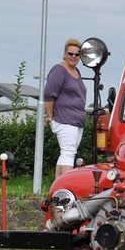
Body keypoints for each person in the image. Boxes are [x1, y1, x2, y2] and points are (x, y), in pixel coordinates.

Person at [44, 38, 87, 178]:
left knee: (66, 153)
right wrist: (50, 116)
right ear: (65, 53)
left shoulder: (76, 71)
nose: (73, 57)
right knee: (68, 153)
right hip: (64, 119)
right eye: (70, 54)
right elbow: (49, 95)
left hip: (76, 120)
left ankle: (57, 190)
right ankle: (67, 188)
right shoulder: (59, 70)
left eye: (77, 54)